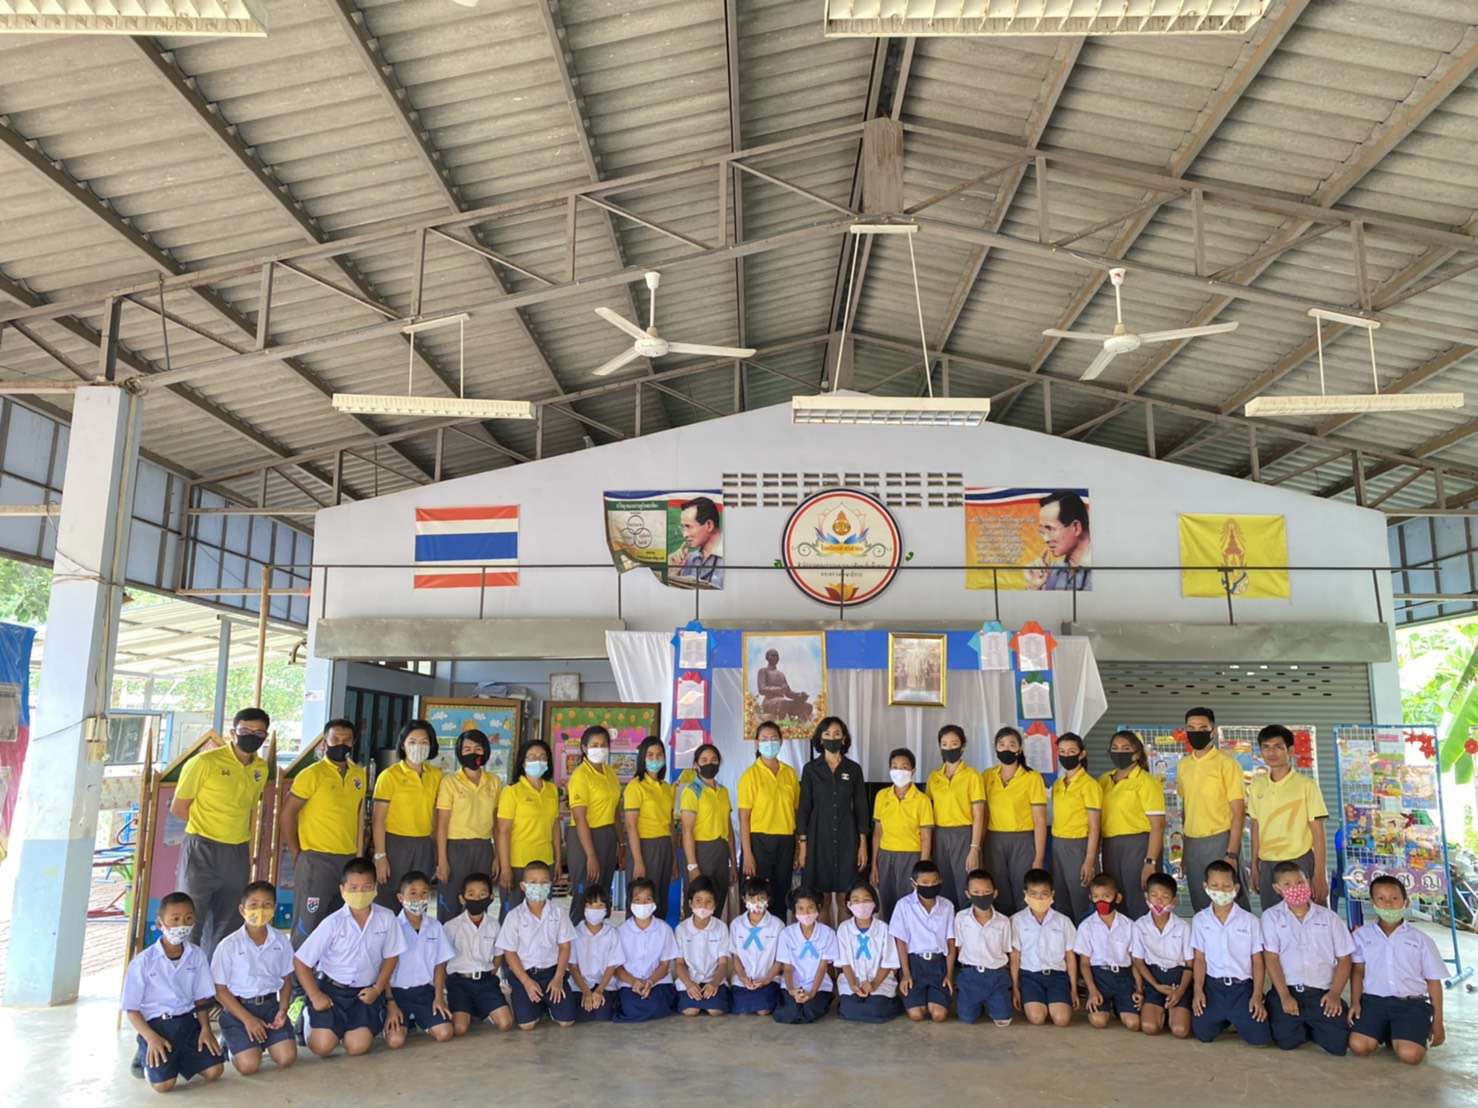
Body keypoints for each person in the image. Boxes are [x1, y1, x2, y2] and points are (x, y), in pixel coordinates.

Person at [171, 708, 272, 956]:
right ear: (232, 732)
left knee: (229, 922)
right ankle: (184, 975)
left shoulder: (261, 768)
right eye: (245, 730)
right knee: (189, 918)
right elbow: (179, 807)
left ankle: (217, 977)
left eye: (259, 733)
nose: (252, 736)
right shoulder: (204, 762)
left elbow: (248, 809)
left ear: (265, 736)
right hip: (201, 848)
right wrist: (210, 828)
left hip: (237, 852)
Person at [293, 857, 405, 1058]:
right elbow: (301, 962)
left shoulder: (387, 918)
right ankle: (308, 1016)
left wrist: (377, 989)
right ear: (342, 890)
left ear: (375, 888)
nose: (360, 893)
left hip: (365, 993)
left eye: (366, 887)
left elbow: (391, 957)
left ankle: (345, 1029)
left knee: (357, 1047)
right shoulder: (332, 923)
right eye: (353, 888)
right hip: (331, 991)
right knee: (322, 1047)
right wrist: (316, 996)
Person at [123, 891, 225, 1093]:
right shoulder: (143, 962)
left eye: (188, 919)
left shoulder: (197, 955)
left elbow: (201, 998)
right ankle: (145, 1052)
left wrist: (205, 1029)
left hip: (187, 1023)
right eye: (175, 919)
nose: (182, 925)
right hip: (157, 1026)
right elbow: (131, 1009)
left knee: (215, 1071)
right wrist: (150, 1037)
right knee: (163, 1086)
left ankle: (176, 1059)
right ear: (160, 923)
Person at [282, 719, 367, 947]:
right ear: (324, 742)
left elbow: (357, 816)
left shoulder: (359, 775)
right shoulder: (311, 775)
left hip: (347, 859)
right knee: (308, 924)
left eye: (346, 740)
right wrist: (297, 853)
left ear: (353, 743)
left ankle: (328, 968)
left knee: (339, 923)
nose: (341, 744)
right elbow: (287, 814)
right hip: (315, 860)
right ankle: (298, 970)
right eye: (335, 739)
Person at [1349, 874, 1447, 1066]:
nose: (1388, 904)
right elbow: (1358, 971)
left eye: (1394, 898)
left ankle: (1402, 1031)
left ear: (1405, 902)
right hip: (1374, 1002)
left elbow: (1434, 981)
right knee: (1359, 1046)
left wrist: (1438, 1022)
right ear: (1373, 903)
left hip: (1410, 1004)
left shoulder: (1421, 940)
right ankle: (1390, 1031)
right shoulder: (1362, 936)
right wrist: (1355, 1002)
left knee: (1410, 1056)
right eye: (1381, 898)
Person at [1261, 861, 1353, 1055]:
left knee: (1338, 1044)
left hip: (1322, 994)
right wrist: (1284, 996)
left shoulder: (1330, 918)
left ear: (1308, 882)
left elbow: (1345, 960)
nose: (1295, 888)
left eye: (1300, 882)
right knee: (1286, 1041)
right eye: (1287, 884)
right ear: (1277, 889)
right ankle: (1294, 1019)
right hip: (1288, 991)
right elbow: (1271, 959)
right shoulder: (1271, 917)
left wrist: (1335, 994)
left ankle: (1314, 1023)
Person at [210, 882, 296, 1076]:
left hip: (270, 1007)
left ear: (274, 909)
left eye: (267, 905)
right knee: (249, 1066)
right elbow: (219, 990)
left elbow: (286, 979)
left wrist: (283, 1010)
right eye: (254, 905)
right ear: (242, 910)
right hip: (238, 1010)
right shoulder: (228, 945)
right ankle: (232, 1043)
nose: (260, 910)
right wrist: (247, 1019)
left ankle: (262, 1041)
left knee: (287, 1058)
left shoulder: (281, 941)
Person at [796, 717, 869, 927]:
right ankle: (827, 945)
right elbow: (804, 808)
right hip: (819, 840)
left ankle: (844, 945)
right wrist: (803, 846)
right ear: (820, 739)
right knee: (822, 900)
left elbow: (861, 807)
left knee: (846, 899)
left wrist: (863, 844)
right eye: (827, 734)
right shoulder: (811, 769)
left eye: (837, 734)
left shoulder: (853, 769)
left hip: (848, 839)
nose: (832, 738)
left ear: (844, 738)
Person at [1190, 859, 1271, 1046]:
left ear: (1236, 888)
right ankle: (1226, 1017)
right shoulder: (1200, 920)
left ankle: (1236, 1015)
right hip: (1213, 987)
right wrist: (1198, 991)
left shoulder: (1250, 921)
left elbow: (1258, 961)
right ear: (1205, 887)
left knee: (1260, 1039)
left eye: (1226, 886)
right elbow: (1200, 959)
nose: (1220, 891)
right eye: (1215, 886)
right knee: (1203, 1034)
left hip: (1242, 988)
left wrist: (1257, 995)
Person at [1248, 724, 1329, 909]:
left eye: (1278, 746)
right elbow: (1255, 826)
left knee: (1308, 915)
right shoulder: (1256, 786)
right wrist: (1254, 865)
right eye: (1266, 747)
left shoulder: (1306, 785)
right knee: (1273, 917)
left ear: (1290, 750)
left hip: (1300, 861)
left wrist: (1319, 873)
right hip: (1268, 863)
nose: (1271, 752)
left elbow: (1318, 832)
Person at [1178, 707, 1249, 912]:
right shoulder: (1184, 765)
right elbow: (1186, 808)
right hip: (1192, 844)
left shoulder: (1227, 764)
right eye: (1191, 728)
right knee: (1200, 901)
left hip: (1220, 841)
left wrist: (1232, 854)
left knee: (1229, 900)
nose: (1196, 732)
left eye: (1202, 728)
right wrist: (1184, 851)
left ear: (1213, 730)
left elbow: (1238, 812)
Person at [496, 860, 578, 1030]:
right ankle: (533, 1003)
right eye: (533, 882)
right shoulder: (514, 916)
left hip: (552, 973)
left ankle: (546, 1004)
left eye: (544, 882)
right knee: (527, 1025)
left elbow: (565, 947)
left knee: (567, 1021)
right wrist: (526, 982)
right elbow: (509, 953)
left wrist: (558, 978)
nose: (538, 887)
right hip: (525, 974)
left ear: (550, 885)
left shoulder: (559, 913)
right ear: (523, 886)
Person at [372, 720, 443, 910]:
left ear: (431, 745)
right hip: (395, 845)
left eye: (424, 742)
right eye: (412, 742)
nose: (418, 746)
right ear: (403, 745)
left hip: (424, 845)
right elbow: (378, 820)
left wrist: (438, 853)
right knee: (389, 899)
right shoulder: (389, 775)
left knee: (418, 899)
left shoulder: (436, 775)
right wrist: (380, 856)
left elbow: (436, 817)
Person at [1097, 729, 1165, 920]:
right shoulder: (1104, 780)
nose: (1120, 752)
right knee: (1116, 899)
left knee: (1139, 900)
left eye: (1126, 748)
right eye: (1115, 748)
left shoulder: (1146, 782)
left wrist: (1150, 862)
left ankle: (1144, 939)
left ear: (1136, 753)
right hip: (1110, 846)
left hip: (1139, 846)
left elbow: (1158, 826)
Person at [434, 729, 500, 923]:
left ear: (485, 751)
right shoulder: (449, 782)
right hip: (455, 848)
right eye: (467, 749)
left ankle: (477, 939)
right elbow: (442, 824)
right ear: (459, 752)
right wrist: (442, 860)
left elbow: (497, 824)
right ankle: (447, 940)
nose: (473, 753)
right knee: (451, 900)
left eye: (478, 748)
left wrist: (497, 856)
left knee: (479, 901)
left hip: (484, 847)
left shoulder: (494, 782)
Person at [384, 871, 454, 1049]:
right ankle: (404, 1023)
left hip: (425, 993)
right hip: (398, 994)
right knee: (395, 1041)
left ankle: (421, 1021)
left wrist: (439, 997)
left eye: (424, 893)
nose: (419, 898)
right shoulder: (392, 927)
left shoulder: (435, 926)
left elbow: (440, 964)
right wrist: (390, 1003)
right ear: (401, 898)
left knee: (445, 1033)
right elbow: (383, 968)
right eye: (413, 893)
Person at [982, 727, 1046, 917]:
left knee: (1022, 888)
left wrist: (1039, 858)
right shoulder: (987, 776)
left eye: (1012, 744)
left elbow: (1040, 820)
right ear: (995, 748)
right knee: (998, 888)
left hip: (1023, 840)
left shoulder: (1032, 777)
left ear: (1019, 749)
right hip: (994, 840)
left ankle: (1024, 931)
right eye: (1001, 745)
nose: (1006, 748)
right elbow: (983, 814)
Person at [738, 721, 800, 915]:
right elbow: (744, 819)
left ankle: (778, 931)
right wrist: (748, 854)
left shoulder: (790, 773)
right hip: (759, 842)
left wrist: (798, 847)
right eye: (764, 739)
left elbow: (796, 812)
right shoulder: (749, 776)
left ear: (781, 742)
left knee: (781, 893)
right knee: (757, 895)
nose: (769, 743)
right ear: (756, 743)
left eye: (774, 738)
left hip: (786, 841)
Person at [497, 739, 562, 919]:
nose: (537, 761)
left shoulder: (552, 790)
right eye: (531, 757)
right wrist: (505, 868)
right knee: (513, 915)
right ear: (522, 762)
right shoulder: (512, 791)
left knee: (542, 912)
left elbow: (555, 827)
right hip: (518, 863)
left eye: (542, 757)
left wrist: (557, 860)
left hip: (545, 862)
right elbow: (503, 832)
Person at [566, 725, 624, 923]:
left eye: (603, 744)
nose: (600, 748)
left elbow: (615, 811)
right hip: (585, 838)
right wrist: (590, 855)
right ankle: (576, 933)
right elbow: (580, 818)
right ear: (584, 748)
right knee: (585, 893)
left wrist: (621, 843)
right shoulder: (580, 776)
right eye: (594, 745)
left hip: (607, 836)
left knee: (602, 893)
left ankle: (599, 936)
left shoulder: (610, 773)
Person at [442, 873, 513, 1035]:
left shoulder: (494, 925)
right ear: (462, 899)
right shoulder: (451, 926)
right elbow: (442, 959)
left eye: (482, 894)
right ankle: (471, 1010)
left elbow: (498, 954)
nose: (476, 898)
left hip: (485, 981)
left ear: (491, 898)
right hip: (459, 982)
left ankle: (482, 1008)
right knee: (459, 1029)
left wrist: (491, 973)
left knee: (506, 1023)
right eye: (471, 894)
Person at [871, 748, 935, 921]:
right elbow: (877, 833)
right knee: (887, 902)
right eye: (895, 766)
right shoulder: (882, 796)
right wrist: (874, 865)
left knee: (909, 903)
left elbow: (926, 837)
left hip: (911, 856)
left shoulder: (922, 800)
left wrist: (922, 868)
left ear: (913, 771)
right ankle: (891, 936)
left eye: (904, 767)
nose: (899, 771)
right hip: (886, 856)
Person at [927, 725, 986, 912]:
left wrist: (974, 848)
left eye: (954, 743)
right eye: (944, 744)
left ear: (962, 746)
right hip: (940, 836)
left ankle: (967, 926)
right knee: (943, 885)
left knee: (965, 884)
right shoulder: (934, 777)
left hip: (964, 835)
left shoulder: (972, 775)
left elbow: (979, 814)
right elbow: (928, 813)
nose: (949, 748)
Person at [1010, 869, 1078, 1028]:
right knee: (1037, 1018)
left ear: (1052, 894)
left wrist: (1073, 988)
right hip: (1030, 976)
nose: (1039, 898)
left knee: (1062, 1020)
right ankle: (1036, 1002)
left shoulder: (1063, 921)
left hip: (1057, 977)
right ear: (1025, 894)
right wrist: (1015, 988)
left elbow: (1070, 956)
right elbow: (1015, 957)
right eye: (1033, 894)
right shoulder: (1016, 921)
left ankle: (1053, 1002)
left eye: (1044, 894)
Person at [1074, 873, 1142, 1031]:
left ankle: (1120, 1006)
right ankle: (1107, 1006)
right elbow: (1084, 963)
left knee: (1133, 1024)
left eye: (1106, 896)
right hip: (1099, 977)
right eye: (1096, 897)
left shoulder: (1129, 925)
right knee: (1099, 1021)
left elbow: (1134, 961)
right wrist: (1092, 990)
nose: (1101, 901)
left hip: (1123, 978)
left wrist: (1139, 989)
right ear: (1091, 898)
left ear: (1117, 898)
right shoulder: (1086, 926)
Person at [890, 860, 955, 1023]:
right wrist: (906, 974)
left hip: (938, 964)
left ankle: (933, 999)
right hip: (915, 964)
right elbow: (901, 942)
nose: (930, 886)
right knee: (916, 1015)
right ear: (914, 884)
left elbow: (951, 941)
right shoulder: (903, 905)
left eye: (934, 882)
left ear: (940, 881)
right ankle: (920, 999)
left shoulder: (947, 906)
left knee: (939, 1015)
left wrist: (949, 974)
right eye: (925, 883)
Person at [1131, 872, 1192, 1039]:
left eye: (1165, 897)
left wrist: (1180, 991)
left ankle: (1174, 1011)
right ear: (1146, 897)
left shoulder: (1183, 927)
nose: (1158, 901)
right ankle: (1161, 1010)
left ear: (1174, 901)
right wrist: (1155, 985)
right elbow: (1138, 961)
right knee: (1149, 1027)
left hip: (1178, 979)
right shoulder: (1139, 925)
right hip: (1154, 977)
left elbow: (1190, 964)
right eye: (1154, 895)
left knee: (1180, 1030)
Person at [1049, 732, 1101, 923]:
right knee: (1061, 899)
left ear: (1082, 754)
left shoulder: (1089, 785)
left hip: (1079, 845)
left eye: (1071, 751)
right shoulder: (1058, 784)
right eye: (1062, 751)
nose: (1066, 755)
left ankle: (1086, 939)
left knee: (1081, 899)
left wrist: (1089, 859)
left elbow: (1095, 826)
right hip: (1058, 844)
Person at [680, 743, 736, 917]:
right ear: (696, 764)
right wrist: (692, 866)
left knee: (716, 901)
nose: (709, 763)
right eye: (704, 760)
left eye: (713, 759)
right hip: (700, 851)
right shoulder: (692, 791)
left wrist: (733, 863)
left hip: (721, 851)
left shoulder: (723, 791)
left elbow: (729, 830)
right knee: (698, 904)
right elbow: (687, 831)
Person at [952, 869, 1014, 1027]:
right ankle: (977, 1002)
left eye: (986, 892)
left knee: (1003, 1020)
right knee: (967, 1018)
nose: (981, 896)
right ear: (968, 894)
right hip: (970, 975)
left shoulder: (1003, 921)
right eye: (976, 892)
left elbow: (1006, 949)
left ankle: (992, 1001)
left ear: (995, 893)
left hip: (996, 975)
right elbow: (959, 946)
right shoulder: (961, 918)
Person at [834, 879, 900, 1023]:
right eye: (856, 900)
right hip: (852, 981)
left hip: (880, 982)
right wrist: (853, 985)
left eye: (866, 900)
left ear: (874, 903)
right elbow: (844, 963)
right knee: (849, 1008)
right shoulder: (843, 929)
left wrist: (873, 984)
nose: (861, 904)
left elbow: (888, 963)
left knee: (876, 1009)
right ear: (849, 904)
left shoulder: (884, 929)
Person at [624, 736, 677, 915]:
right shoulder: (635, 786)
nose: (655, 759)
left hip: (665, 846)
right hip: (644, 847)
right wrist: (638, 861)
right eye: (650, 755)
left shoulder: (667, 788)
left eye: (659, 755)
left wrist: (673, 859)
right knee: (641, 900)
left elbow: (670, 825)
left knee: (659, 899)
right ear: (642, 758)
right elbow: (631, 826)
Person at [614, 876, 679, 1022]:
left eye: (647, 899)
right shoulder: (620, 931)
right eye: (637, 900)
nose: (642, 904)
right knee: (631, 1007)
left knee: (657, 1005)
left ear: (655, 902)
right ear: (630, 903)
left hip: (658, 981)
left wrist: (650, 982)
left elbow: (664, 965)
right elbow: (617, 967)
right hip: (629, 983)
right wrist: (633, 982)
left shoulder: (664, 929)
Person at [773, 888, 837, 1024]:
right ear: (794, 911)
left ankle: (823, 998)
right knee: (788, 1013)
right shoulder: (786, 934)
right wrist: (792, 990)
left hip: (818, 985)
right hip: (793, 984)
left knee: (809, 1010)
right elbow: (787, 967)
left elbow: (822, 967)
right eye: (801, 909)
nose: (806, 913)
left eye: (810, 908)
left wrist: (812, 992)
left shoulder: (828, 934)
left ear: (818, 908)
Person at [674, 877, 732, 1016]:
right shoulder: (681, 929)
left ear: (715, 905)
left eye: (708, 901)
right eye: (698, 900)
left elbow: (723, 963)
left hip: (713, 979)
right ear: (690, 903)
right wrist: (689, 984)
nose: (703, 906)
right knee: (690, 1011)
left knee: (715, 1011)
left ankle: (712, 996)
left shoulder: (721, 927)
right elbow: (679, 963)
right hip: (690, 979)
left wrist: (714, 983)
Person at [728, 876, 784, 1015]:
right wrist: (743, 977)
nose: (756, 903)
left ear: (768, 900)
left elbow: (779, 960)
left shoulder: (777, 925)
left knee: (763, 1010)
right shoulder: (736, 924)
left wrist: (766, 979)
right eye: (752, 899)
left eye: (761, 898)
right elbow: (736, 957)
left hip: (769, 979)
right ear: (744, 899)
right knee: (740, 1009)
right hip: (743, 980)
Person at [570, 883, 622, 1023]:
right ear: (583, 907)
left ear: (607, 909)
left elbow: (612, 966)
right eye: (590, 905)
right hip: (580, 986)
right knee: (581, 1015)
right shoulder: (575, 933)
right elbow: (573, 967)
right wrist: (586, 992)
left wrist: (599, 991)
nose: (595, 910)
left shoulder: (612, 933)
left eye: (600, 905)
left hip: (604, 985)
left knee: (604, 1016)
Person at [1025, 490, 1091, 591]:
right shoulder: (1049, 571)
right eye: (1042, 532)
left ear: (1076, 527)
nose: (1045, 539)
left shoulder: (1100, 565)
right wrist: (1035, 586)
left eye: (1050, 529)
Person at [670, 495, 723, 588]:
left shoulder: (732, 557)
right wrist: (674, 573)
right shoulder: (687, 560)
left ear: (709, 525)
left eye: (688, 527)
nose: (684, 535)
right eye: (683, 528)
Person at [756, 649, 812, 719]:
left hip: (782, 702)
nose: (775, 657)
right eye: (772, 655)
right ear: (767, 657)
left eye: (777, 656)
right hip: (769, 701)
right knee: (783, 702)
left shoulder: (781, 674)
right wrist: (779, 689)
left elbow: (788, 693)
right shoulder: (763, 671)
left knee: (807, 706)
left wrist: (799, 695)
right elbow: (762, 689)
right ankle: (781, 723)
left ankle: (799, 724)